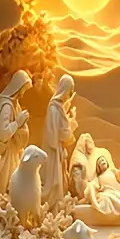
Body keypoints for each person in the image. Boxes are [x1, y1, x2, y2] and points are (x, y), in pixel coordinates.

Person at [0, 70, 32, 194]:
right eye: (24, 89)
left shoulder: (15, 104)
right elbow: (2, 133)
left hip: (13, 151)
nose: (23, 93)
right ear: (18, 87)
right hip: (6, 153)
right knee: (6, 182)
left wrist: (22, 125)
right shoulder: (6, 106)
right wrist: (17, 123)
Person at [41, 74, 77, 207]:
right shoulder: (54, 108)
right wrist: (71, 123)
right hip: (53, 152)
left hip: (56, 150)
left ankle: (57, 207)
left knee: (59, 181)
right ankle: (51, 207)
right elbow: (62, 134)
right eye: (69, 91)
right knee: (53, 183)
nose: (69, 95)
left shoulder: (56, 107)